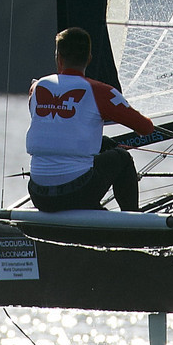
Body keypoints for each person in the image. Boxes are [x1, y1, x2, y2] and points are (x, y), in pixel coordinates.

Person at [25, 26, 155, 212]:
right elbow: (146, 128)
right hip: (78, 192)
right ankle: (132, 220)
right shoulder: (101, 91)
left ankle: (92, 211)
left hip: (38, 195)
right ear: (89, 59)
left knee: (104, 143)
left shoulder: (37, 87)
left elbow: (59, 127)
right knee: (122, 158)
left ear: (58, 58)